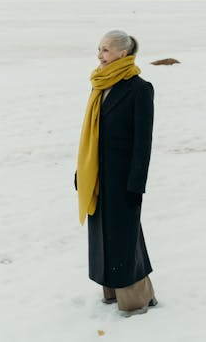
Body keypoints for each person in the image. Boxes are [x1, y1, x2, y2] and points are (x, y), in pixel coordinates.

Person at [74, 30, 157, 317]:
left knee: (124, 236)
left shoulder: (139, 89)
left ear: (123, 54)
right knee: (102, 235)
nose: (100, 55)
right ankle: (110, 291)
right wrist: (80, 172)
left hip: (123, 179)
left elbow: (142, 142)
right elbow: (91, 136)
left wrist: (137, 183)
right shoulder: (99, 85)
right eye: (99, 49)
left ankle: (137, 300)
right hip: (97, 176)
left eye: (106, 50)